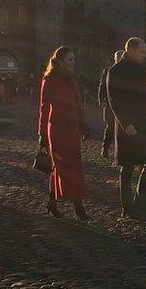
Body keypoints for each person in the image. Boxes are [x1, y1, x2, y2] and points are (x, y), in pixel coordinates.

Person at [38, 46, 91, 221]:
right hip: (57, 129)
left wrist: (83, 125)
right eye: (69, 59)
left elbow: (77, 104)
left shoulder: (71, 79)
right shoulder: (50, 79)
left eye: (73, 59)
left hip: (72, 128)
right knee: (63, 167)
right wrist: (42, 134)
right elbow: (44, 107)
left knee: (72, 166)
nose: (73, 62)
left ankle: (52, 203)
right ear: (60, 61)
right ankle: (79, 207)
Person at [105, 37, 146, 217]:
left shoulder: (142, 69)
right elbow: (114, 100)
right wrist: (126, 124)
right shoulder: (115, 71)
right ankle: (126, 207)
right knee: (126, 169)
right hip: (128, 128)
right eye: (141, 52)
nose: (144, 55)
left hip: (143, 125)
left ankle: (139, 201)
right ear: (132, 50)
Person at [98, 50, 124, 158]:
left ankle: (121, 152)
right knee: (110, 127)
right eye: (117, 57)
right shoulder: (107, 71)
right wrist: (102, 100)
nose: (118, 59)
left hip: (122, 105)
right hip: (109, 104)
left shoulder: (126, 72)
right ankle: (105, 148)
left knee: (123, 129)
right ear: (114, 58)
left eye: (120, 57)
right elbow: (102, 86)